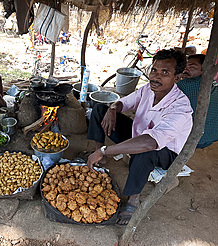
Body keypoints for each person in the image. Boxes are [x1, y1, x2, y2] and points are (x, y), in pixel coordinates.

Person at [86, 49, 193, 225]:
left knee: (146, 151)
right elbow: (124, 102)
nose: (155, 77)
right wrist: (113, 108)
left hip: (164, 152)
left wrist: (107, 150)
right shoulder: (147, 90)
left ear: (177, 78)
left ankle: (133, 200)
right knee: (100, 109)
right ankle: (98, 157)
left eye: (165, 73)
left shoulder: (180, 108)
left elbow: (151, 142)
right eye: (154, 70)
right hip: (139, 135)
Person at [177, 54, 218, 148]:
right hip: (212, 138)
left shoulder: (186, 85)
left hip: (193, 139)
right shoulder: (214, 84)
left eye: (192, 66)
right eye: (185, 66)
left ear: (204, 69)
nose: (186, 69)